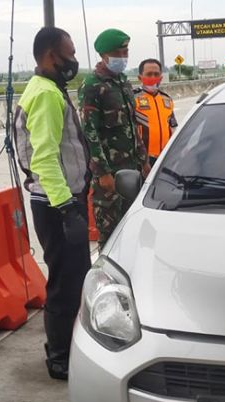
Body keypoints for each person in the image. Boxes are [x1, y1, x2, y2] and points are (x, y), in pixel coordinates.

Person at [13, 27, 90, 380]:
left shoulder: (47, 88)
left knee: (74, 276)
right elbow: (44, 158)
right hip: (55, 203)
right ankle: (59, 358)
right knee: (66, 280)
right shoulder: (45, 94)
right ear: (50, 56)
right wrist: (66, 208)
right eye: (69, 53)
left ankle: (68, 348)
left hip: (59, 199)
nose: (73, 60)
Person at [78, 28, 150, 247]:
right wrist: (102, 173)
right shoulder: (92, 86)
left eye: (126, 51)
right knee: (110, 235)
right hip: (110, 174)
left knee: (133, 231)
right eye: (120, 52)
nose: (124, 57)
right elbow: (90, 132)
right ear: (105, 55)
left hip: (132, 169)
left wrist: (144, 161)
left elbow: (132, 125)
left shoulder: (123, 82)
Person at [134, 59, 178, 166]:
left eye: (156, 74)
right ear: (140, 77)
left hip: (165, 158)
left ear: (161, 78)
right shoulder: (132, 98)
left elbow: (173, 128)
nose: (153, 78)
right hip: (142, 160)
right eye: (149, 74)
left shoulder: (167, 99)